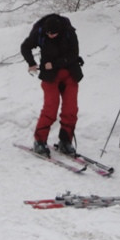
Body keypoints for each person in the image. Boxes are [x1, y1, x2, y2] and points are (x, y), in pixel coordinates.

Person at [20, 14, 84, 157]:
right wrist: (31, 62)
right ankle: (40, 141)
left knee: (71, 109)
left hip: (69, 73)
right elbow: (25, 47)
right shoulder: (39, 32)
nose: (50, 36)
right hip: (50, 76)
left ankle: (65, 141)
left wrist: (54, 64)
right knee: (51, 108)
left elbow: (74, 55)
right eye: (48, 34)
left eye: (53, 34)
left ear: (59, 31)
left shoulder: (69, 32)